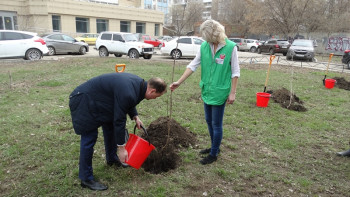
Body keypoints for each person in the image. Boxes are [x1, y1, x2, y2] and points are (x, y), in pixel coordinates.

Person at [69, 72, 167, 191]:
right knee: (89, 137)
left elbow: (128, 101)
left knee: (109, 127)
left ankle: (111, 159)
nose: (154, 99)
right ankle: (86, 178)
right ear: (152, 91)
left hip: (99, 101)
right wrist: (122, 148)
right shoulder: (130, 91)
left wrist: (135, 116)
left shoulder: (139, 84)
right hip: (83, 100)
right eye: (156, 96)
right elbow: (119, 120)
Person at [169, 19, 240, 165]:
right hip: (207, 89)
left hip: (220, 91)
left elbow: (235, 72)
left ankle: (214, 153)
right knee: (209, 121)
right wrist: (179, 82)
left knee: (216, 123)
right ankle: (215, 146)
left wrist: (233, 92)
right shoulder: (204, 46)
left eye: (208, 38)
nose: (207, 41)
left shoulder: (231, 47)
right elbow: (193, 65)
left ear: (215, 35)